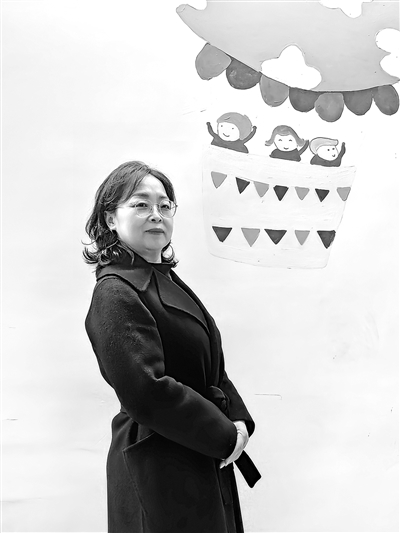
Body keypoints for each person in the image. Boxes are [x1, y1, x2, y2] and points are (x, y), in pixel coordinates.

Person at [83, 161, 260, 533]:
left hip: (198, 448)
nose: (156, 214)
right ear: (111, 218)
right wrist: (224, 435)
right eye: (141, 204)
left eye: (164, 205)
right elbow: (146, 390)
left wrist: (239, 422)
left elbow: (212, 368)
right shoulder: (115, 291)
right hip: (159, 460)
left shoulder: (167, 281)